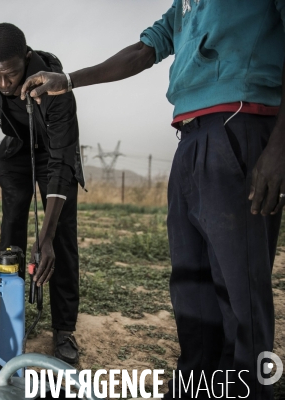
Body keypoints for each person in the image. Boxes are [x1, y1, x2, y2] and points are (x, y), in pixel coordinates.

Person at [22, 2, 285, 399]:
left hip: (241, 124)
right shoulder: (185, 4)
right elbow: (143, 51)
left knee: (239, 290)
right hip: (190, 135)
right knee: (190, 283)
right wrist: (69, 80)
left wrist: (279, 149)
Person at [0, 23, 85, 364]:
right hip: (17, 153)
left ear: (28, 57)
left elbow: (63, 164)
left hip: (54, 156)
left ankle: (63, 330)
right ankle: (10, 317)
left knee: (59, 239)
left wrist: (46, 235)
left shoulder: (55, 89)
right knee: (12, 235)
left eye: (12, 74)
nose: (4, 84)